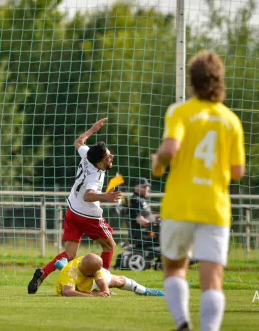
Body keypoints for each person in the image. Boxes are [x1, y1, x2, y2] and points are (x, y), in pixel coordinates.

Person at [151, 51, 245, 331]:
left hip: (180, 205)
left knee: (175, 267)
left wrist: (158, 164)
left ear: (191, 80)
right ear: (219, 80)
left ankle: (182, 322)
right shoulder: (231, 120)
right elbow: (238, 171)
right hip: (215, 208)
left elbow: (170, 148)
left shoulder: (180, 111)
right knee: (212, 280)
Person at [27, 118, 122, 294]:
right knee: (109, 246)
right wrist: (107, 196)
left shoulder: (87, 155)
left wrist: (92, 129)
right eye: (109, 156)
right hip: (88, 215)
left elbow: (78, 142)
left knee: (70, 255)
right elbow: (89, 195)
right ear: (100, 163)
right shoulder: (95, 173)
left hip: (72, 210)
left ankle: (44, 272)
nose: (112, 157)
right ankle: (102, 285)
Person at [54, 253, 163, 297]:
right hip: (76, 280)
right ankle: (63, 266)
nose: (100, 271)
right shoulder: (70, 272)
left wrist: (105, 292)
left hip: (89, 281)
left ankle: (145, 290)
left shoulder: (95, 267)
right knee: (75, 287)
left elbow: (103, 286)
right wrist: (93, 296)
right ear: (91, 272)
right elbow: (67, 292)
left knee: (117, 281)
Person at [126, 178, 159, 251]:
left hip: (149, 230)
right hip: (143, 234)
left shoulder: (142, 199)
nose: (147, 188)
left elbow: (147, 216)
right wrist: (154, 223)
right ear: (136, 187)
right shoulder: (135, 199)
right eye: (144, 187)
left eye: (147, 186)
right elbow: (139, 219)